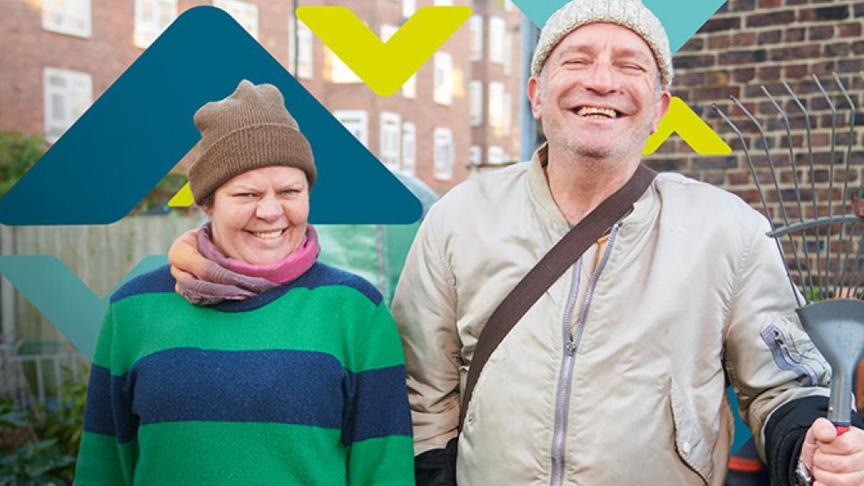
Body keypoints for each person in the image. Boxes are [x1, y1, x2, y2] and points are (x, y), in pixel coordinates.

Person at [391, 1, 864, 485]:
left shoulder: (728, 231)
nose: (600, 81)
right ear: (536, 94)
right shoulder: (460, 217)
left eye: (629, 65)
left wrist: (812, 445)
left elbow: (783, 385)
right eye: (576, 60)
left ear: (659, 108)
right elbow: (422, 391)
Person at [74, 80, 414, 485]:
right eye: (246, 194)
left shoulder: (355, 309)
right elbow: (102, 468)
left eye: (290, 190)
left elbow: (385, 470)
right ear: (206, 202)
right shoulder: (133, 310)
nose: (271, 211)